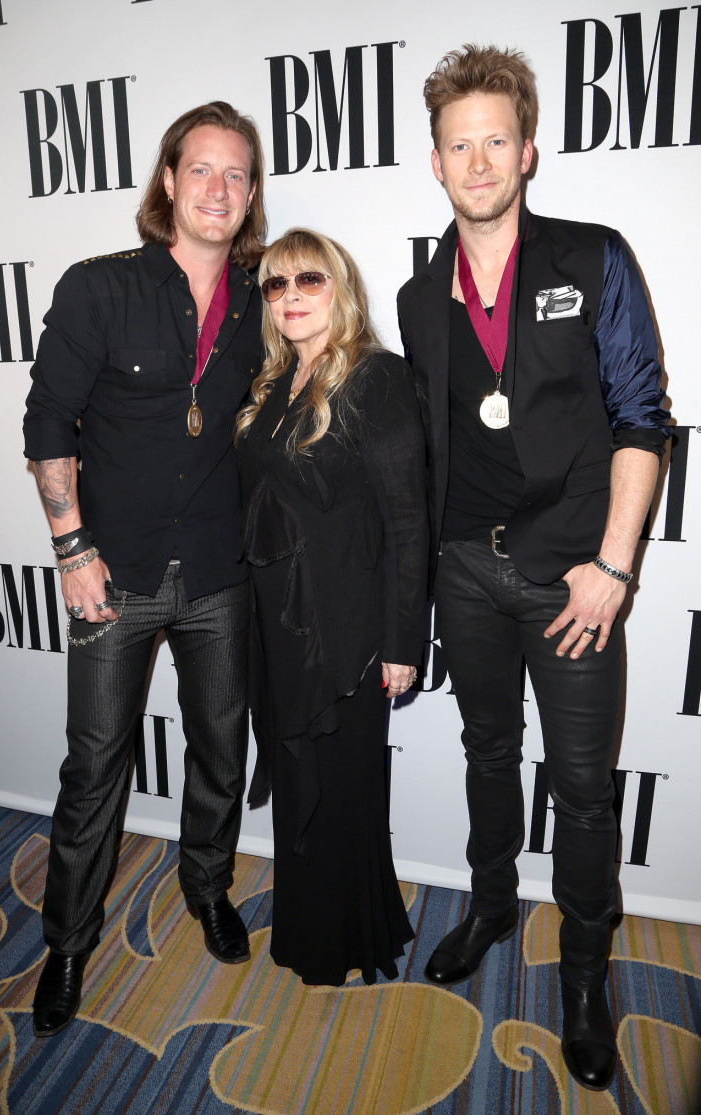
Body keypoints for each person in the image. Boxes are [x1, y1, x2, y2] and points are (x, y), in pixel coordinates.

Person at [397, 46, 669, 1091]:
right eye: (457, 145)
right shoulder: (419, 296)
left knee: (586, 792)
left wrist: (613, 565)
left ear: (527, 152)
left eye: (494, 141)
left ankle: (586, 976)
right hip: (465, 571)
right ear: (435, 163)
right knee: (485, 751)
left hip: (573, 578)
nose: (477, 162)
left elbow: (641, 416)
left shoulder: (592, 259)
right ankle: (490, 904)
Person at [23, 101, 267, 1037]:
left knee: (220, 748)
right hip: (112, 573)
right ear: (169, 180)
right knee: (94, 766)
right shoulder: (100, 288)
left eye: (236, 174)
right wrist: (71, 548)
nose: (218, 188)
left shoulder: (262, 300)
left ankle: (207, 887)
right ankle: (69, 942)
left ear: (251, 193)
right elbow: (49, 421)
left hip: (219, 571)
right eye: (201, 168)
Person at [236, 229, 428, 986]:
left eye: (308, 279)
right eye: (275, 285)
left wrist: (402, 642)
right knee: (296, 773)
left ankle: (345, 936)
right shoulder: (274, 381)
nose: (290, 296)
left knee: (342, 783)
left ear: (339, 287)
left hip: (346, 629)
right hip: (279, 623)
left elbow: (408, 519)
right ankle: (308, 925)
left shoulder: (376, 376)